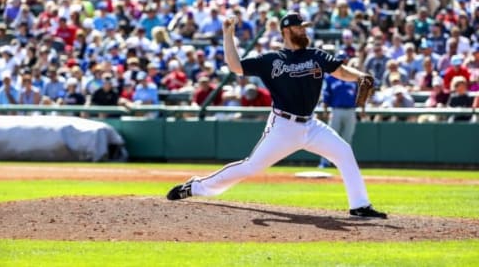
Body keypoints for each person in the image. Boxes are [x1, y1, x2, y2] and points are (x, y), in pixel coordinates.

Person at [166, 12, 387, 219]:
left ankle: (359, 205)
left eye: (304, 27)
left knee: (343, 151)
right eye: (300, 28)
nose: (304, 31)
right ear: (286, 31)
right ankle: (195, 187)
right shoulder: (271, 60)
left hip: (311, 125)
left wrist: (360, 77)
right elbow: (235, 66)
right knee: (251, 166)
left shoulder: (316, 55)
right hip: (283, 125)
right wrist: (228, 34)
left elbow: (340, 71)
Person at [318, 51, 357, 168]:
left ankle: (345, 163)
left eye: (344, 59)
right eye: (340, 60)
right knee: (331, 138)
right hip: (336, 110)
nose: (342, 62)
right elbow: (326, 95)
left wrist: (363, 108)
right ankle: (325, 161)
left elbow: (359, 94)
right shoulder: (330, 77)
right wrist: (325, 109)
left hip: (351, 111)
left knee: (347, 139)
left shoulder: (353, 76)